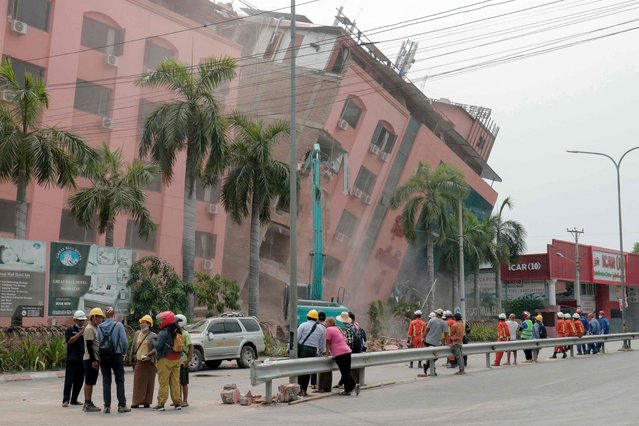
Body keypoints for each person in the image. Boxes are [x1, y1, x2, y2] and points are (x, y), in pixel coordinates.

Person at [97, 306, 130, 413]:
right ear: (114, 315)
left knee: (106, 380)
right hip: (116, 355)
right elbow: (124, 341)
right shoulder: (118, 325)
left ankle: (107, 406)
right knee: (119, 380)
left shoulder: (100, 326)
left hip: (103, 355)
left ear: (105, 316)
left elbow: (97, 341)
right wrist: (124, 353)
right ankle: (121, 405)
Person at [149, 311, 183, 411]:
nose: (159, 322)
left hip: (165, 359)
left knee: (163, 383)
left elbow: (158, 346)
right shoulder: (177, 330)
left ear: (166, 320)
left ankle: (161, 404)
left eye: (161, 320)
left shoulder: (163, 332)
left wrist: (153, 340)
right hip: (177, 359)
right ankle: (177, 403)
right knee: (175, 382)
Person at [324, 317, 358, 396]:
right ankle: (351, 386)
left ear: (330, 323)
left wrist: (327, 353)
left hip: (339, 353)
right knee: (347, 370)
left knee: (344, 372)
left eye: (326, 322)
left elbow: (328, 342)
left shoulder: (329, 330)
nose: (325, 324)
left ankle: (348, 389)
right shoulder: (338, 328)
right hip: (347, 350)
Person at [296, 309, 325, 397]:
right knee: (307, 370)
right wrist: (320, 353)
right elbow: (321, 343)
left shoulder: (303, 325)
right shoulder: (321, 328)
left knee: (301, 370)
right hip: (313, 350)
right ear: (316, 319)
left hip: (303, 349)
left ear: (308, 317)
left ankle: (299, 390)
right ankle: (304, 390)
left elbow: (297, 338)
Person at [130, 314, 157, 409]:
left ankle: (147, 402)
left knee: (149, 382)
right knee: (138, 382)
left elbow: (157, 348)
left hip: (149, 363)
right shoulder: (137, 333)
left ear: (149, 324)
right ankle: (136, 402)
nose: (142, 324)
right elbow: (133, 347)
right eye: (141, 323)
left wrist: (149, 354)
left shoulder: (153, 336)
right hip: (139, 361)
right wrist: (131, 359)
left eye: (144, 323)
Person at [82, 308, 105, 413]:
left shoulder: (95, 328)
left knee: (91, 381)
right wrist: (94, 360)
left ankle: (89, 402)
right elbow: (89, 345)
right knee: (89, 382)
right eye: (100, 317)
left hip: (94, 358)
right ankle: (87, 403)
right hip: (90, 359)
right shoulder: (89, 328)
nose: (101, 320)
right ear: (94, 317)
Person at [62, 310, 87, 407]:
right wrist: (79, 333)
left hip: (82, 360)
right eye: (80, 320)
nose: (81, 322)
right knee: (69, 380)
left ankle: (74, 399)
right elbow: (69, 341)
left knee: (79, 381)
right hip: (72, 360)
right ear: (75, 320)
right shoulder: (70, 329)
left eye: (83, 320)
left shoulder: (85, 330)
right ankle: (65, 400)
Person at [420, 309, 449, 377]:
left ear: (436, 314)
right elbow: (446, 334)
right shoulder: (444, 323)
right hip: (437, 343)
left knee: (432, 356)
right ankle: (429, 367)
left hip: (428, 341)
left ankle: (427, 366)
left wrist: (423, 338)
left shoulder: (431, 320)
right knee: (435, 356)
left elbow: (426, 331)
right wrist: (447, 343)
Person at [337, 311, 363, 385]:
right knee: (348, 369)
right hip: (357, 349)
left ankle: (350, 385)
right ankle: (344, 383)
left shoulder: (348, 328)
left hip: (350, 350)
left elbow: (349, 341)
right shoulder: (354, 326)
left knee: (346, 369)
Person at [175, 314, 193, 407]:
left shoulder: (185, 334)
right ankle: (178, 399)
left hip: (183, 362)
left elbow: (191, 346)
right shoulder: (176, 333)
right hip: (176, 362)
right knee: (177, 382)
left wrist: (188, 360)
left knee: (184, 383)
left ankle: (185, 400)